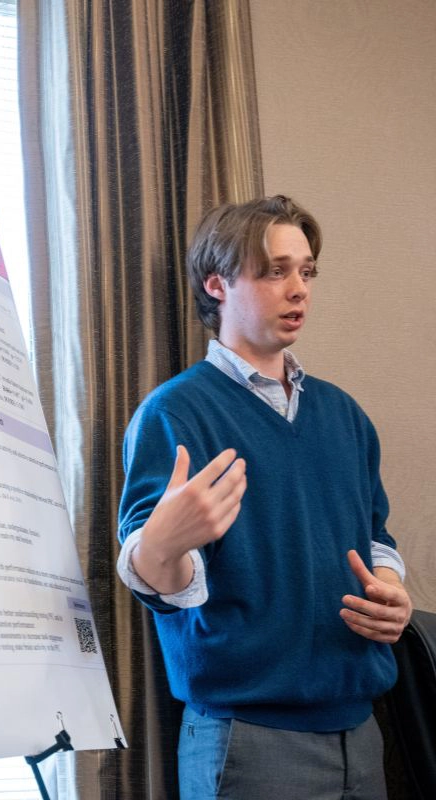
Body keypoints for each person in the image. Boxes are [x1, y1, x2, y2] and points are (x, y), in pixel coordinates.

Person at [117, 195, 412, 800]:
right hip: (248, 743)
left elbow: (377, 535)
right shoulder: (174, 413)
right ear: (217, 283)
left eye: (306, 271)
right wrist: (160, 547)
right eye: (275, 271)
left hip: (362, 732)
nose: (299, 289)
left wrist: (393, 592)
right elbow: (154, 571)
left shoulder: (343, 414)